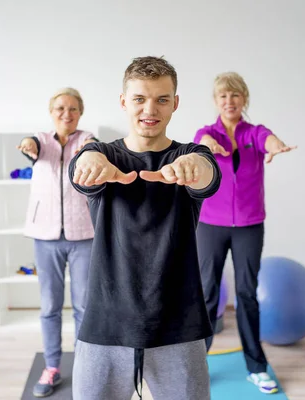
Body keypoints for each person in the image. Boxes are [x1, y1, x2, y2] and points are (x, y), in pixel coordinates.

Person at [68, 56, 221, 400]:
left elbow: (208, 172)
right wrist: (88, 161)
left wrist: (194, 166)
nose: (149, 109)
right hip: (106, 321)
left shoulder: (189, 154)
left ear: (175, 104)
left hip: (178, 322)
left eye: (161, 99)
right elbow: (83, 166)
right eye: (139, 98)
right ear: (124, 102)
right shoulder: (103, 154)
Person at [193, 72, 295, 394]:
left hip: (249, 225)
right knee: (208, 295)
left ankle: (256, 366)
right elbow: (200, 144)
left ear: (244, 100)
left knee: (247, 294)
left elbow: (268, 139)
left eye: (235, 96)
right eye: (223, 96)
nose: (229, 101)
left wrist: (276, 146)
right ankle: (197, 365)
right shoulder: (206, 132)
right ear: (215, 101)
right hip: (211, 225)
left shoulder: (254, 133)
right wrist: (208, 146)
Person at [17, 88, 97, 397]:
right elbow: (32, 147)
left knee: (84, 306)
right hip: (45, 236)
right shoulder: (40, 139)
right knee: (50, 306)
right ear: (52, 111)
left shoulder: (87, 140)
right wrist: (28, 144)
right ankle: (52, 367)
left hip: (83, 236)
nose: (67, 113)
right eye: (61, 108)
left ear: (80, 112)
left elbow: (93, 150)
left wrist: (91, 150)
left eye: (73, 108)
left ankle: (84, 366)